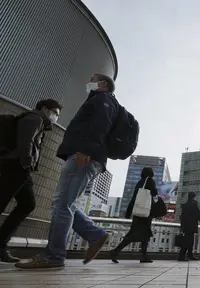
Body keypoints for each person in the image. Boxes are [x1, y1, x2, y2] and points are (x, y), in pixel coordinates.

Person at [16, 74, 120, 269]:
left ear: (103, 84)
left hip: (83, 155)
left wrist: (86, 150)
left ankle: (53, 256)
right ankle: (95, 234)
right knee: (66, 204)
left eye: (93, 79)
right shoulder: (100, 100)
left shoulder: (104, 99)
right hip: (86, 155)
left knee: (61, 204)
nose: (89, 81)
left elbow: (101, 124)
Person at [0, 99, 62, 263]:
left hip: (20, 167)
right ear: (44, 108)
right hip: (15, 165)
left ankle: (1, 244)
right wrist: (27, 163)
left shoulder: (38, 122)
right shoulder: (34, 118)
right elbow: (25, 142)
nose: (56, 117)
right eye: (55, 113)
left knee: (27, 204)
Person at [111, 167, 158, 263]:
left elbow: (134, 198)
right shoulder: (150, 181)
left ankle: (144, 256)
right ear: (151, 173)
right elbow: (154, 193)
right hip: (145, 213)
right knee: (135, 235)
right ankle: (116, 251)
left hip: (138, 211)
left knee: (144, 235)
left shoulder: (140, 182)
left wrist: (128, 212)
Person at [178, 191, 200, 261]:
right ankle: (183, 256)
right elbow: (198, 214)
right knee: (189, 241)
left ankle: (188, 255)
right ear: (194, 196)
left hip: (185, 226)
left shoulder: (185, 205)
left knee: (188, 240)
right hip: (192, 225)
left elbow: (182, 216)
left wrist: (182, 226)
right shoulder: (194, 204)